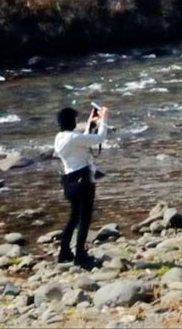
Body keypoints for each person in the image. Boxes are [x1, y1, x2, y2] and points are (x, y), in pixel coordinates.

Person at [53, 103, 107, 268]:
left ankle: (64, 252)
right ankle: (80, 256)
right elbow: (100, 139)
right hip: (83, 181)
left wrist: (91, 122)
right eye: (75, 119)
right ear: (71, 121)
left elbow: (81, 140)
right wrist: (104, 119)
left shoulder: (60, 137)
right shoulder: (74, 138)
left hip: (68, 181)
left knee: (74, 217)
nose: (77, 122)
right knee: (84, 219)